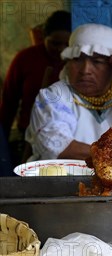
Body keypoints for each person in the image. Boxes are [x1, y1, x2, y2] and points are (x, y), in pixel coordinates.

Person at [25, 24, 112, 160]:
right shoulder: (53, 97)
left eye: (97, 62)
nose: (85, 70)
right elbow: (58, 147)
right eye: (77, 60)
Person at [0, 10, 71, 166]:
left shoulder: (75, 64)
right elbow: (9, 102)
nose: (61, 49)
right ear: (43, 37)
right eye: (54, 43)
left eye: (66, 44)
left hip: (65, 142)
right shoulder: (25, 59)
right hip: (26, 137)